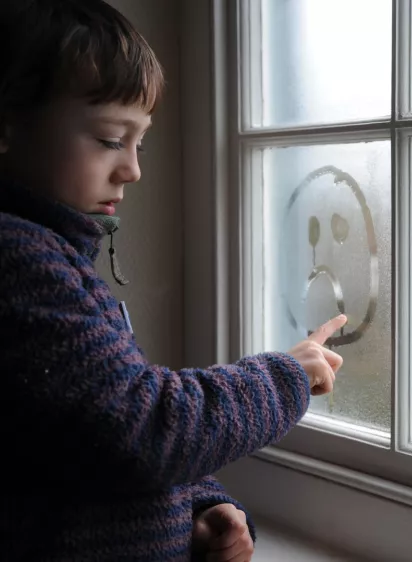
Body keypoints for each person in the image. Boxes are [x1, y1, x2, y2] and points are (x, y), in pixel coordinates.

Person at [0, 1, 346, 560]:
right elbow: (142, 427)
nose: (133, 168)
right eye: (113, 139)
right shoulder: (17, 259)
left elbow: (87, 433)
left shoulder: (51, 258)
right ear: (8, 126)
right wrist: (286, 378)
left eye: (142, 142)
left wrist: (199, 504)